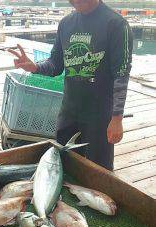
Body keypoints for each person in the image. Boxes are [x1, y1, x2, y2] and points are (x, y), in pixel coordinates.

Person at [8, 0, 133, 171]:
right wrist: (35, 67)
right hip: (69, 111)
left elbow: (121, 75)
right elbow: (56, 64)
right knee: (64, 165)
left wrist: (117, 118)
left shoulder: (116, 24)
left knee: (100, 171)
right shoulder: (66, 23)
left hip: (99, 116)